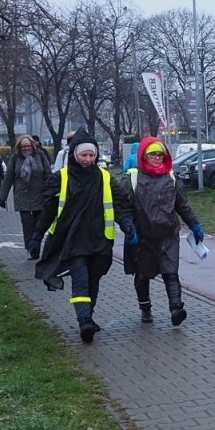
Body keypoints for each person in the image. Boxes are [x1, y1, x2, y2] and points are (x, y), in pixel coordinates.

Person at [34, 129, 135, 343]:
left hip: (99, 239)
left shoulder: (105, 177)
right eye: (84, 155)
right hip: (72, 239)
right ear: (74, 155)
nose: (88, 159)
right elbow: (48, 209)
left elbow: (119, 203)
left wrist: (126, 223)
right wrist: (37, 235)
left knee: (93, 280)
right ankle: (84, 321)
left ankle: (89, 316)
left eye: (92, 155)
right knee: (80, 280)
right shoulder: (61, 177)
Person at [125, 135, 202, 326]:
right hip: (143, 236)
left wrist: (194, 224)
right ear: (144, 156)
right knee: (143, 274)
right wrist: (129, 229)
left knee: (171, 271)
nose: (157, 158)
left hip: (168, 235)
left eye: (160, 154)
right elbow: (124, 208)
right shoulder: (132, 180)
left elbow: (183, 205)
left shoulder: (171, 178)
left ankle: (176, 308)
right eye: (153, 154)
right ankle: (145, 308)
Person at [1, 134, 52, 258]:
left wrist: (51, 192)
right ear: (19, 147)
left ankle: (36, 248)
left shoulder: (40, 155)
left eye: (28, 145)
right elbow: (8, 178)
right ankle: (30, 248)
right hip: (22, 195)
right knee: (27, 224)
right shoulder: (14, 158)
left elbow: (48, 174)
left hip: (39, 195)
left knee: (38, 224)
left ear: (32, 145)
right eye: (23, 146)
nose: (26, 148)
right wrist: (2, 197)